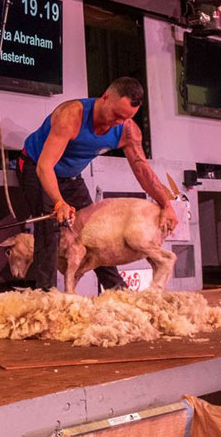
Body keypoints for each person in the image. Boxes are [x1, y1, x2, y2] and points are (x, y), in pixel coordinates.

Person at [17, 77, 178, 291]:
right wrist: (58, 202)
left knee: (94, 230)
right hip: (35, 168)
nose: (118, 122)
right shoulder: (71, 116)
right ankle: (46, 295)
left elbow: (143, 171)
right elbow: (44, 167)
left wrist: (166, 205)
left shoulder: (127, 130)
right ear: (105, 98)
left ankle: (116, 290)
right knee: (50, 229)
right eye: (116, 115)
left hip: (70, 176)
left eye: (125, 118)